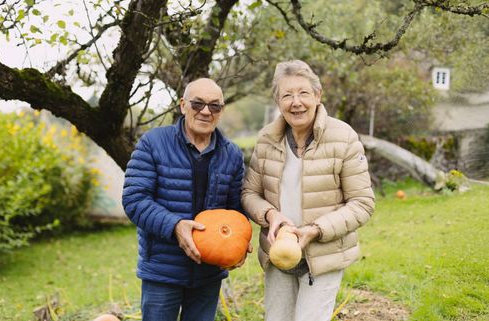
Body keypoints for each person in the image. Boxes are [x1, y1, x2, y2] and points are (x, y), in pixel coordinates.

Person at [241, 60, 375, 321]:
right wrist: (270, 216)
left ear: (317, 95)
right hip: (278, 252)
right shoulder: (267, 139)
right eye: (287, 95)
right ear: (278, 102)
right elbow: (249, 193)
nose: (296, 102)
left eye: (303, 93)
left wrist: (316, 230)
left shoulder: (343, 137)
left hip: (323, 256)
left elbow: (362, 202)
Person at [122, 78, 248, 321]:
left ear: (221, 111)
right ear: (183, 105)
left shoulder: (231, 154)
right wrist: (175, 226)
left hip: (208, 273)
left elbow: (234, 211)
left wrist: (238, 245)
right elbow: (134, 199)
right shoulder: (153, 143)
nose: (205, 111)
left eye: (214, 106)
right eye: (197, 103)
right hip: (162, 269)